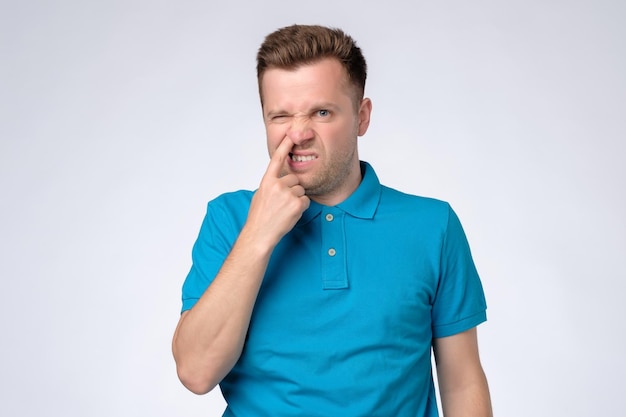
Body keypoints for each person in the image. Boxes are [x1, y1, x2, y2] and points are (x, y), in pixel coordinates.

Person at [172, 24, 493, 417]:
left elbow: (462, 383)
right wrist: (258, 235)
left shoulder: (433, 226)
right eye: (280, 116)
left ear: (361, 117)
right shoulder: (230, 220)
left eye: (321, 112)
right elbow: (195, 372)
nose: (298, 133)